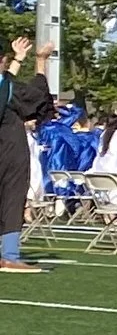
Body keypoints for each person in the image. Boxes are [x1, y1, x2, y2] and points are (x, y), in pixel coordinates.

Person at [0, 37, 54, 270]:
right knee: (12, 198)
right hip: (9, 148)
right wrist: (39, 62)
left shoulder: (8, 86)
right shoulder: (9, 88)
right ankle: (9, 255)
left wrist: (19, 60)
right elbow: (37, 96)